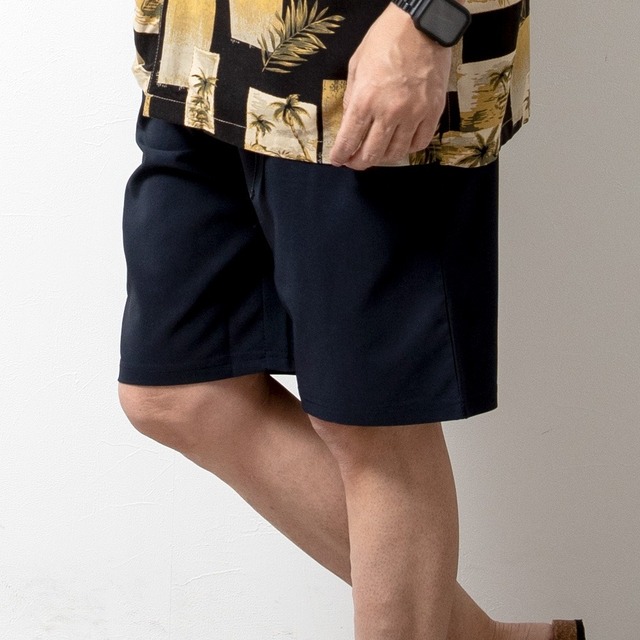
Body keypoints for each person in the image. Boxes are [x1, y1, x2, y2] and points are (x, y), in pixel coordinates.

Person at [117, 0, 585, 638]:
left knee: (371, 420)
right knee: (179, 390)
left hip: (363, 60)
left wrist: (430, 18)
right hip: (202, 51)